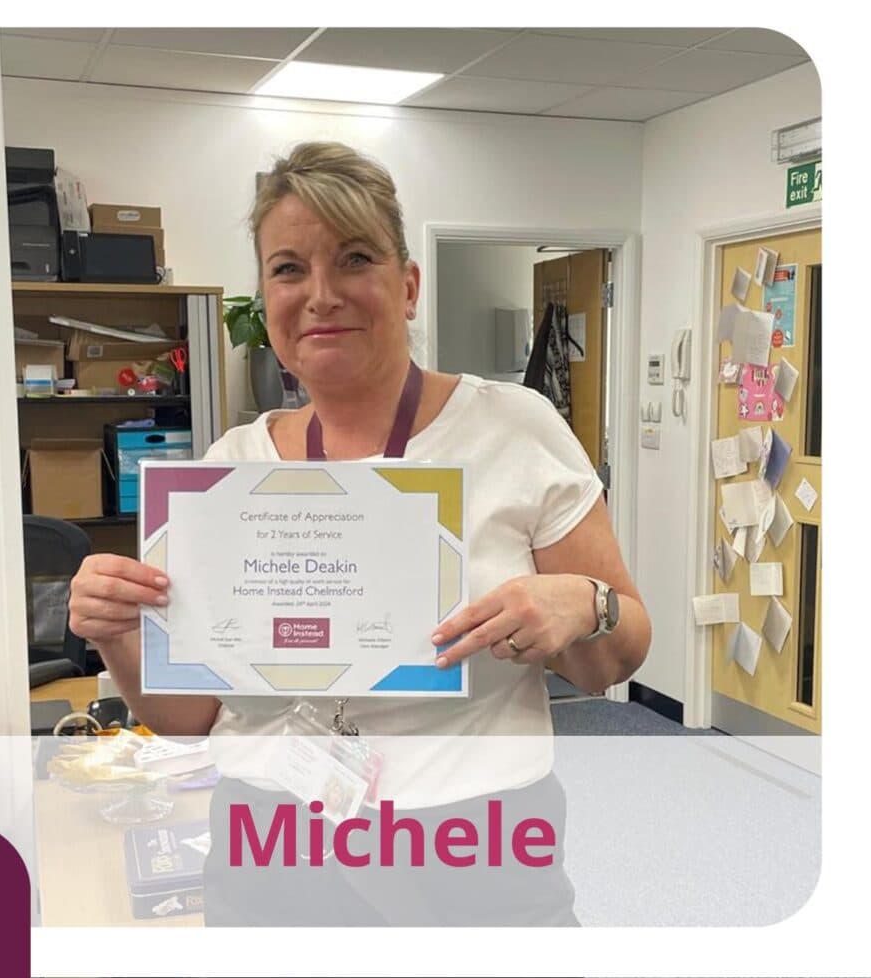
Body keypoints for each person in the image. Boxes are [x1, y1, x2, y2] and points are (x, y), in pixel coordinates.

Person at [69, 141, 651, 925]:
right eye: (287, 268)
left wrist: (584, 604)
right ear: (265, 295)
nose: (320, 294)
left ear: (406, 285)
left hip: (473, 844)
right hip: (271, 846)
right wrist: (115, 634)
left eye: (353, 258)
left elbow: (615, 655)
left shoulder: (514, 428)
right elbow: (188, 719)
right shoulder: (229, 470)